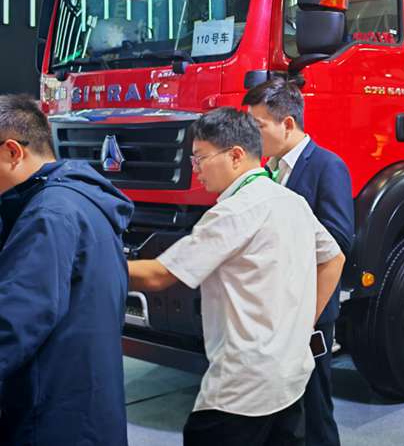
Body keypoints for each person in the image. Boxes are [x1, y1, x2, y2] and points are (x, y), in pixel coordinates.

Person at [127, 108, 345, 446]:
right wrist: (304, 324)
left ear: (235, 155)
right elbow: (334, 259)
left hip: (243, 387)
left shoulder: (232, 211)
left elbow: (158, 276)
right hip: (289, 376)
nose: (194, 169)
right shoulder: (290, 200)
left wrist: (93, 263)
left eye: (200, 158)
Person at [0, 95, 132, 446]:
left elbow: (14, 322)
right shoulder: (81, 200)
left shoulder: (50, 215)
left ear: (13, 152)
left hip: (50, 417)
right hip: (85, 407)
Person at [244, 77, 353, 446]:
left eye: (257, 126)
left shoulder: (327, 166)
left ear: (287, 124)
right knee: (283, 415)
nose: (251, 137)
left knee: (315, 410)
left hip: (310, 310)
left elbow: (338, 240)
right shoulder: (268, 170)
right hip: (274, 308)